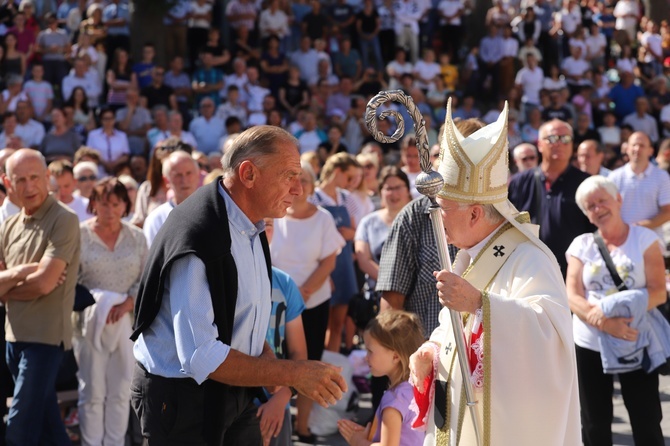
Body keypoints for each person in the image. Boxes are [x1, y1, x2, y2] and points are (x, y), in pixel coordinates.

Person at [130, 126, 347, 445]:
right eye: (289, 175)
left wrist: (277, 372)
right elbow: (201, 355)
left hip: (235, 391)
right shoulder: (199, 234)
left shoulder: (251, 224)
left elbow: (249, 323)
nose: (298, 190)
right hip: (182, 402)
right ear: (248, 174)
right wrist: (292, 374)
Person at [408, 100, 581, 445]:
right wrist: (432, 347)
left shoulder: (528, 258)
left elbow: (550, 336)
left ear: (474, 215)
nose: (436, 218)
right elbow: (456, 330)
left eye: (443, 208)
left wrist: (478, 303)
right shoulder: (470, 256)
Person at [566, 175, 667, 445]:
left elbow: (658, 291)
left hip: (634, 340)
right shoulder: (581, 245)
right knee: (594, 423)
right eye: (591, 206)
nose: (598, 208)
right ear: (587, 214)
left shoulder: (644, 238)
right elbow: (572, 295)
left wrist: (619, 319)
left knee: (646, 421)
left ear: (618, 199)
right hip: (590, 343)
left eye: (602, 200)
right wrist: (605, 323)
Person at [0, 148, 80, 445]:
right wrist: (22, 273)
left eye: (35, 177)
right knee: (49, 426)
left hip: (46, 342)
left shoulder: (64, 219)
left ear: (48, 177)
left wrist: (8, 289)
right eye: (20, 179)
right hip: (13, 339)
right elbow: (36, 280)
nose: (29, 186)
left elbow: (46, 284)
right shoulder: (8, 225)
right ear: (7, 182)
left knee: (19, 429)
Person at [376, 118, 482, 337]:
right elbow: (392, 303)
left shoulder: (499, 216)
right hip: (429, 354)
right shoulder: (413, 218)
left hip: (486, 355)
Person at [270, 161, 344, 443]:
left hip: (312, 302)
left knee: (310, 361)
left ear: (312, 187)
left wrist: (302, 293)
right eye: (291, 180)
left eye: (305, 182)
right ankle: (278, 420)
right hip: (275, 302)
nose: (298, 188)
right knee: (276, 360)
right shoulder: (273, 216)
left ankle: (302, 426)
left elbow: (329, 260)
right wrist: (287, 294)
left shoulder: (323, 218)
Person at [75, 177, 147, 446]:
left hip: (127, 324)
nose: (109, 210)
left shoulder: (137, 237)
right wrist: (100, 303)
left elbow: (148, 278)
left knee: (120, 391)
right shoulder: (80, 234)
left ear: (124, 205)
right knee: (92, 391)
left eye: (115, 204)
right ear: (93, 204)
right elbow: (72, 278)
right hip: (88, 323)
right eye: (103, 204)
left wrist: (128, 303)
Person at [508, 118, 594, 276]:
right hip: (528, 270)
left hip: (574, 273)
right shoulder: (519, 183)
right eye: (553, 138)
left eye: (566, 139)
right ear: (539, 144)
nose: (559, 143)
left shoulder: (586, 184)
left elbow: (595, 232)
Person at [338, 310, 426, 446]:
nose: (366, 357)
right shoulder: (414, 389)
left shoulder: (394, 400)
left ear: (395, 357)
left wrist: (358, 442)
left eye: (370, 351)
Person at [258, 218, 308, 446]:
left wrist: (283, 396)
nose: (261, 228)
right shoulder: (224, 280)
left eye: (268, 223)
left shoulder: (284, 283)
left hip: (278, 404)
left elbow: (299, 354)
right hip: (234, 406)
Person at [310, 153, 361, 354]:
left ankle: (332, 364)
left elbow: (358, 230)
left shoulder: (347, 198)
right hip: (320, 264)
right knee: (320, 322)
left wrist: (351, 233)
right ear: (337, 172)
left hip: (344, 264)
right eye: (350, 177)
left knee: (338, 322)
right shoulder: (313, 197)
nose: (352, 183)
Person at [143, 151, 201, 247]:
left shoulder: (215, 212)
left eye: (189, 173)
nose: (184, 180)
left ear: (198, 175)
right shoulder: (156, 219)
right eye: (178, 175)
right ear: (166, 180)